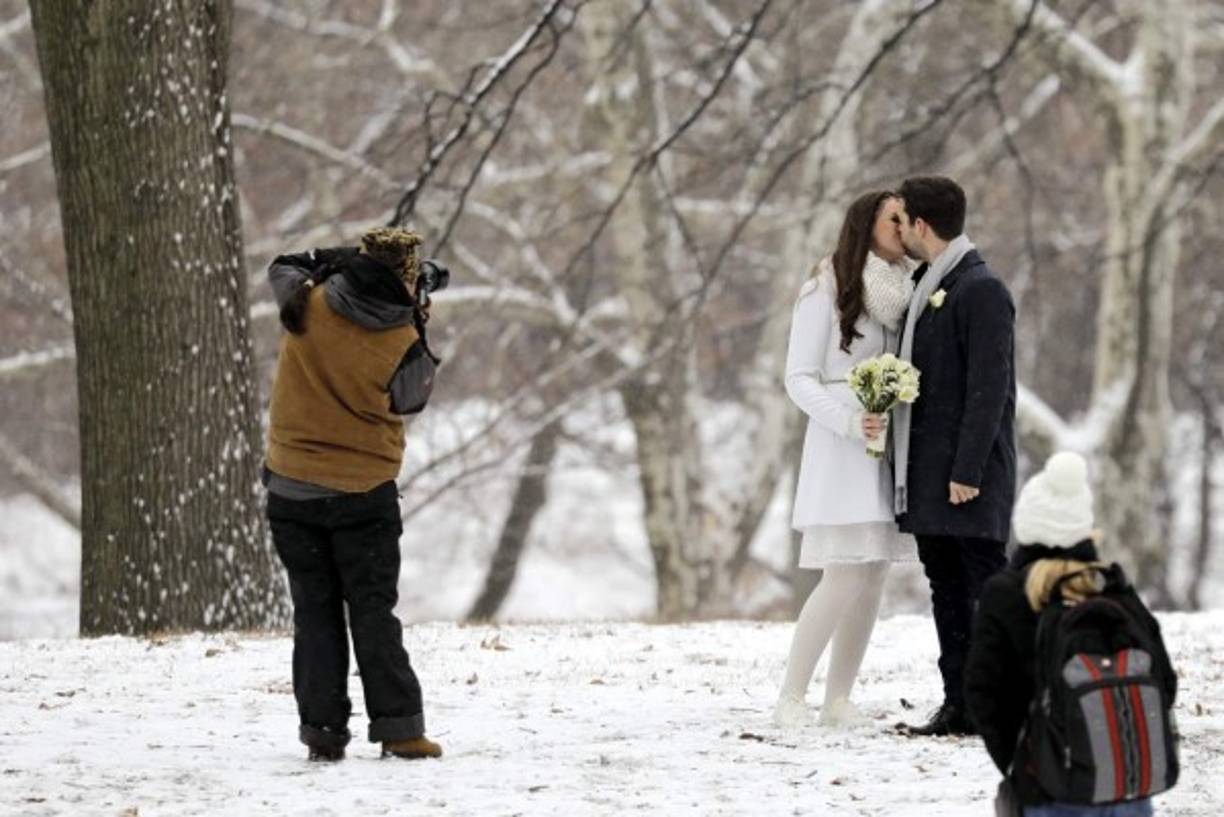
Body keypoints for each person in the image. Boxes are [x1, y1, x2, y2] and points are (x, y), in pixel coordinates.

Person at [264, 226, 443, 762]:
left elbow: (282, 265)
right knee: (371, 611)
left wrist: (339, 263)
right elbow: (411, 402)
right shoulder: (401, 341)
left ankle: (322, 732)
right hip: (363, 493)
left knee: (314, 613)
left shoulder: (306, 300)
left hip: (291, 488)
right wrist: (417, 321)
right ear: (408, 279)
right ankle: (399, 729)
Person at [773, 190, 918, 728]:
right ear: (867, 224)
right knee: (842, 575)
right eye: (893, 218)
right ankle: (792, 695)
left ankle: (839, 699)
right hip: (841, 445)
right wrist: (847, 420)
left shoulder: (904, 289)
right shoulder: (825, 286)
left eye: (907, 218)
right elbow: (798, 377)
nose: (903, 227)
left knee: (873, 573)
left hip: (887, 445)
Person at [964, 452, 1177, 816]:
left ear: (1027, 524)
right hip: (1129, 790)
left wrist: (1023, 766)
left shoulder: (1007, 593)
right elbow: (1164, 682)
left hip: (1051, 791)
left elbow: (983, 694)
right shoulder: (1114, 590)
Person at [891, 176, 1017, 737]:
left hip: (968, 474)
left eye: (902, 223)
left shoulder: (980, 289)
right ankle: (959, 704)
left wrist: (967, 471)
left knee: (986, 588)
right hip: (929, 472)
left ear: (921, 226)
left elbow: (991, 389)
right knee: (945, 587)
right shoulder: (927, 284)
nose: (898, 233)